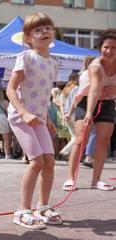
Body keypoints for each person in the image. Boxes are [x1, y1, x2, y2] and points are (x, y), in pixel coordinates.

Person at [6, 12, 62, 229]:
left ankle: (44, 206)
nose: (44, 31)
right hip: (20, 117)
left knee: (50, 161)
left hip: (38, 118)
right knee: (37, 161)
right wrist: (24, 112)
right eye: (38, 30)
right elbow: (10, 89)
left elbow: (43, 94)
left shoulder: (53, 63)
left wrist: (47, 119)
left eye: (48, 27)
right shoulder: (25, 57)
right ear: (28, 38)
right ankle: (23, 210)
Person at [62, 30, 116, 192]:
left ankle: (96, 180)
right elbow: (94, 89)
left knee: (103, 141)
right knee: (81, 140)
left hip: (107, 102)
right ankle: (70, 179)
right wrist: (88, 113)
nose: (109, 51)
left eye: (113, 48)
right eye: (106, 47)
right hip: (86, 101)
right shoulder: (95, 66)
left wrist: (113, 88)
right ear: (100, 48)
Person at [59, 72, 79, 157]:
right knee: (77, 137)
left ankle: (69, 155)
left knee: (74, 136)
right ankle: (65, 151)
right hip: (74, 114)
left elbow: (61, 104)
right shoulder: (77, 88)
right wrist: (69, 114)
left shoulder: (65, 90)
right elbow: (75, 102)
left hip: (66, 115)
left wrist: (64, 115)